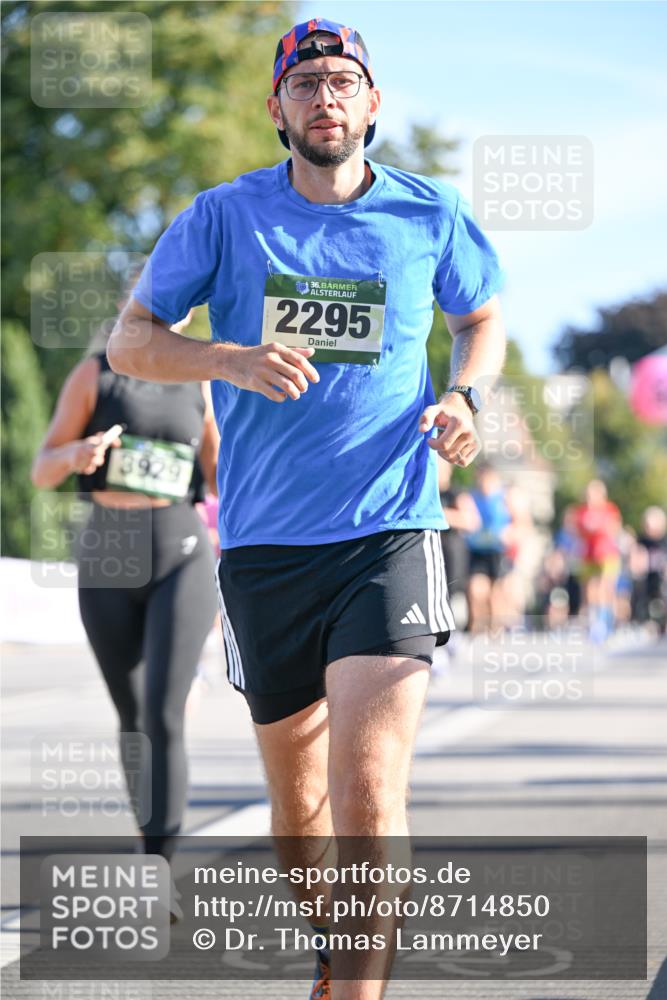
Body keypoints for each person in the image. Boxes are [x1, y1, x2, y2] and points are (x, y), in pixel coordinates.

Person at [107, 17, 506, 998]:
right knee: (302, 812)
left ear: (371, 104)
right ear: (278, 108)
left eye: (343, 80)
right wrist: (225, 358)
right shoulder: (224, 217)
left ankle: (360, 987)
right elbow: (131, 342)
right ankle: (336, 948)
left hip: (388, 529)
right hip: (264, 547)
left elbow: (482, 318)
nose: (326, 95)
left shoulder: (429, 216)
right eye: (306, 82)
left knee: (370, 787)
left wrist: (464, 397)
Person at [31, 299, 220, 863]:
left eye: (179, 300)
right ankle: (149, 836)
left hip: (181, 548)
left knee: (165, 708)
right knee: (133, 714)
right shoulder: (96, 374)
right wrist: (77, 453)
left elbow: (221, 479)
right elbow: (42, 469)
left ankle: (159, 860)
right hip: (108, 551)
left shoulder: (202, 379)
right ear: (128, 306)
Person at [465, 463, 512, 632]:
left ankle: (495, 629)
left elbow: (522, 523)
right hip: (477, 550)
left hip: (497, 551)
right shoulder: (471, 497)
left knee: (495, 596)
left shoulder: (505, 498)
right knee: (475, 590)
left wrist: (510, 533)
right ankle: (476, 628)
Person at [573, 479, 621, 642]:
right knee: (589, 590)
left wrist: (598, 528)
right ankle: (594, 622)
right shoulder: (581, 512)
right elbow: (578, 532)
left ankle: (607, 621)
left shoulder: (610, 509)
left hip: (607, 554)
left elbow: (614, 529)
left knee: (605, 588)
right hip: (589, 555)